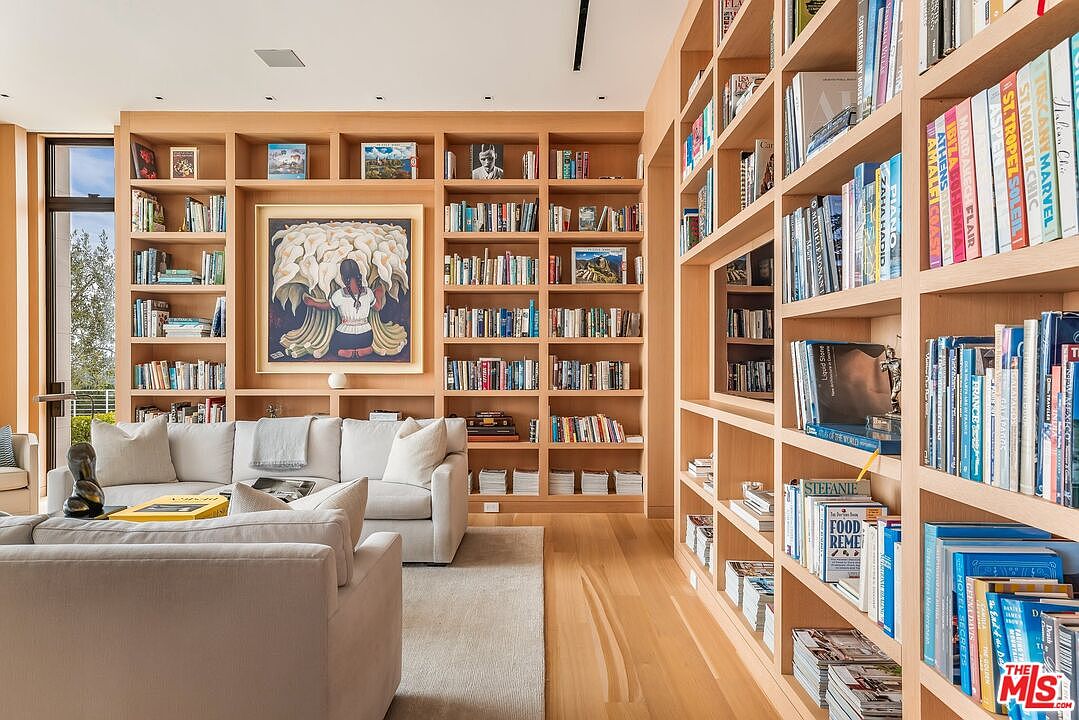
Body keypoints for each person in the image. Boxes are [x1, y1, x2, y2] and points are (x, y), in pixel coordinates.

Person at [303, 259, 385, 358]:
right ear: (359, 274)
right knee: (365, 342)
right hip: (366, 336)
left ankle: (349, 352)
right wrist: (378, 294)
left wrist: (313, 303)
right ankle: (365, 350)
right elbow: (378, 307)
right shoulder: (368, 292)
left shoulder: (339, 294)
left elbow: (326, 306)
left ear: (342, 277)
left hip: (346, 338)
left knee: (333, 348)